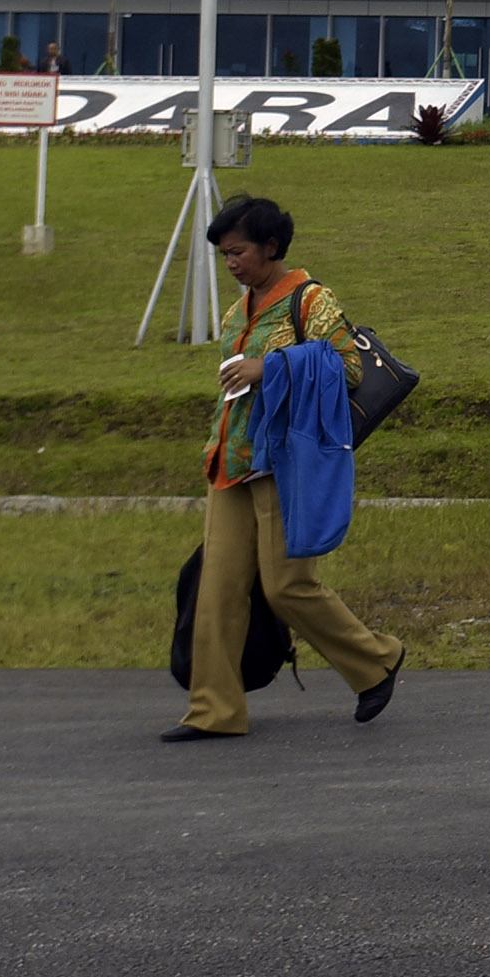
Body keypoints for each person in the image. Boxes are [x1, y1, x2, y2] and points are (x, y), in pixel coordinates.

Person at [165, 195, 406, 741]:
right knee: (217, 591)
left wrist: (267, 368)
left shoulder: (311, 299)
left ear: (271, 247)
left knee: (286, 587)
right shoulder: (237, 310)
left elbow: (346, 368)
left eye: (239, 251)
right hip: (231, 464)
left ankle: (376, 661)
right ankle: (214, 712)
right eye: (225, 254)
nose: (231, 263)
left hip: (284, 466)